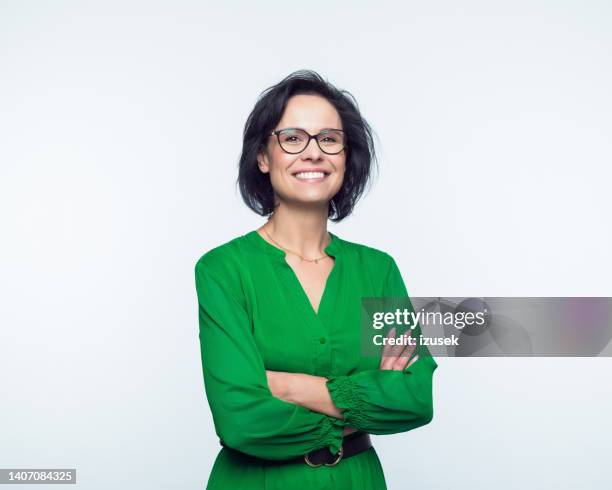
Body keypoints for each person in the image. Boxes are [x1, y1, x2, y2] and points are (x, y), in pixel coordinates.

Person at [194, 70, 438, 490]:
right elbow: (241, 421)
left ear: (346, 156)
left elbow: (413, 399)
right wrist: (360, 400)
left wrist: (287, 386)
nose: (313, 153)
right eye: (292, 138)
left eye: (329, 139)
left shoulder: (377, 270)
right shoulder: (223, 269)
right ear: (263, 156)